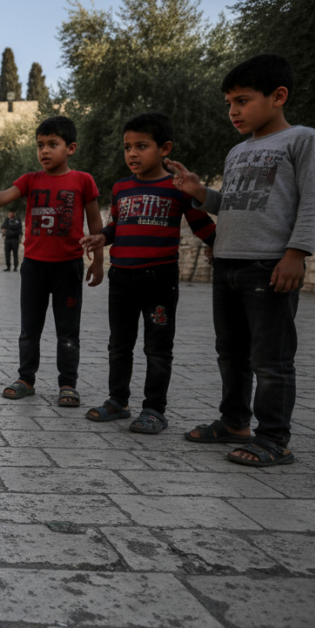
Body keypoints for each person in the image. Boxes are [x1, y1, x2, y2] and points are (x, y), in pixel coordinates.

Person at [167, 54, 315, 467]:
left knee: (270, 359)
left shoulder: (303, 140)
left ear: (278, 96)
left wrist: (296, 254)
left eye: (242, 100)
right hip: (227, 265)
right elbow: (235, 204)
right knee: (231, 352)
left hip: (268, 266)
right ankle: (234, 421)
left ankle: (274, 437)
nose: (233, 111)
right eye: (228, 104)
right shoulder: (238, 151)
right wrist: (200, 192)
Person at [80, 112, 215, 434]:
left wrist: (219, 246)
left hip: (159, 280)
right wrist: (102, 237)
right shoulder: (121, 188)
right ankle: (117, 401)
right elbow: (116, 225)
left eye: (142, 146)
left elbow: (202, 225)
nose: (132, 154)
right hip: (122, 279)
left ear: (164, 148)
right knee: (119, 345)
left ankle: (154, 409)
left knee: (157, 348)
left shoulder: (179, 187)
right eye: (127, 147)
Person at [0, 116, 104, 407]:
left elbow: (95, 223)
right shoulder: (30, 180)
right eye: (40, 145)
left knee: (68, 332)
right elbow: (6, 195)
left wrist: (98, 260)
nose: (44, 151)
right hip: (34, 266)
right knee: (29, 329)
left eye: (52, 144)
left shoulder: (83, 181)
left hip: (68, 267)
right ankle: (26, 379)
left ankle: (68, 383)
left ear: (71, 148)